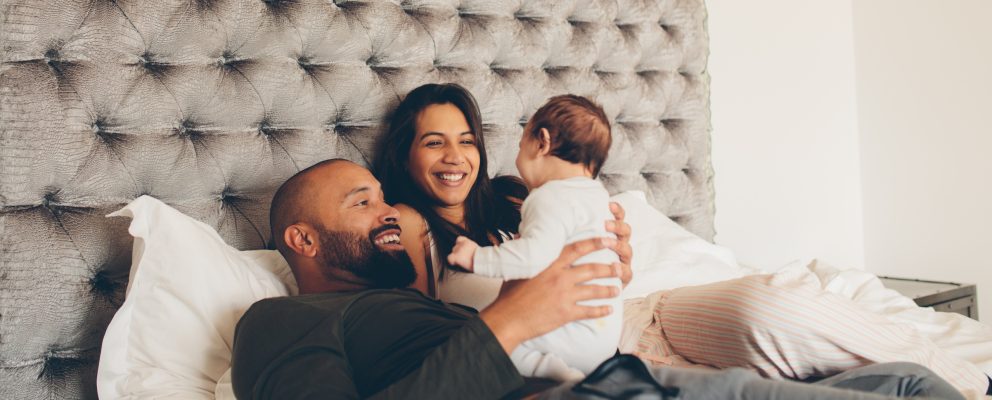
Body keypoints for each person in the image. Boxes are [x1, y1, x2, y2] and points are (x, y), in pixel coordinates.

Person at [372, 83, 991, 397]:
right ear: (406, 152)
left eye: (466, 140)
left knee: (776, 305)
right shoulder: (412, 225)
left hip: (642, 312)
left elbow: (609, 260)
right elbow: (424, 328)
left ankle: (967, 383)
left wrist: (619, 254)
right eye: (434, 141)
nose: (456, 157)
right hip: (589, 363)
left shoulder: (520, 197)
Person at [230, 159, 964, 399]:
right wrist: (512, 320)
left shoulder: (412, 303)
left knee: (905, 380)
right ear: (302, 238)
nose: (390, 210)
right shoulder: (276, 322)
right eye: (364, 203)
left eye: (387, 198)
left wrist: (590, 271)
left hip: (621, 370)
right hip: (594, 391)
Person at [446, 95, 622, 381]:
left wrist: (477, 257)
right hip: (605, 334)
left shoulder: (549, 196)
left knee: (500, 350)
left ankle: (560, 376)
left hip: (571, 332)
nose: (517, 159)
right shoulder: (599, 198)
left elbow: (531, 260)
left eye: (520, 146)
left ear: (542, 142)